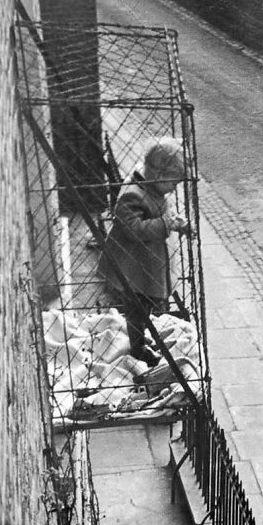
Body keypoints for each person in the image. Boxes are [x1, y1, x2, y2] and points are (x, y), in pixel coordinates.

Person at [99, 137, 190, 366]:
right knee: (136, 308)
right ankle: (138, 348)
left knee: (144, 306)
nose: (174, 188)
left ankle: (140, 336)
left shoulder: (151, 188)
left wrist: (176, 222)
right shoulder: (132, 195)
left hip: (146, 265)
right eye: (173, 183)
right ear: (158, 175)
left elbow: (161, 212)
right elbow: (134, 229)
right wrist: (166, 223)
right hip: (133, 269)